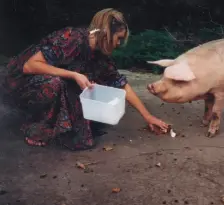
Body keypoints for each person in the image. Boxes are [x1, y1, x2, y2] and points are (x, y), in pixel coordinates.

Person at [2, 8, 169, 150]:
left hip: (47, 84)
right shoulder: (71, 38)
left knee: (89, 96)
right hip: (19, 84)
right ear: (106, 33)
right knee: (58, 83)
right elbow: (29, 66)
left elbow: (121, 85)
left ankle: (57, 126)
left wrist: (148, 117)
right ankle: (36, 127)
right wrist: (73, 75)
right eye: (118, 38)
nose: (119, 44)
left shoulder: (101, 56)